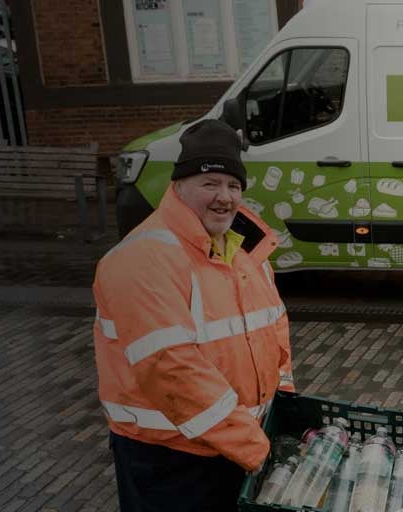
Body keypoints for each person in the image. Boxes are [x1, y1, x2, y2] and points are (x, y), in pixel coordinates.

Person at [93, 119, 295, 511]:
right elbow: (173, 370)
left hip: (234, 449)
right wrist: (254, 446)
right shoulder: (145, 258)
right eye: (210, 183)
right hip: (170, 461)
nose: (225, 197)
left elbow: (275, 336)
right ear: (179, 186)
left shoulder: (245, 254)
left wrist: (283, 408)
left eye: (234, 186)